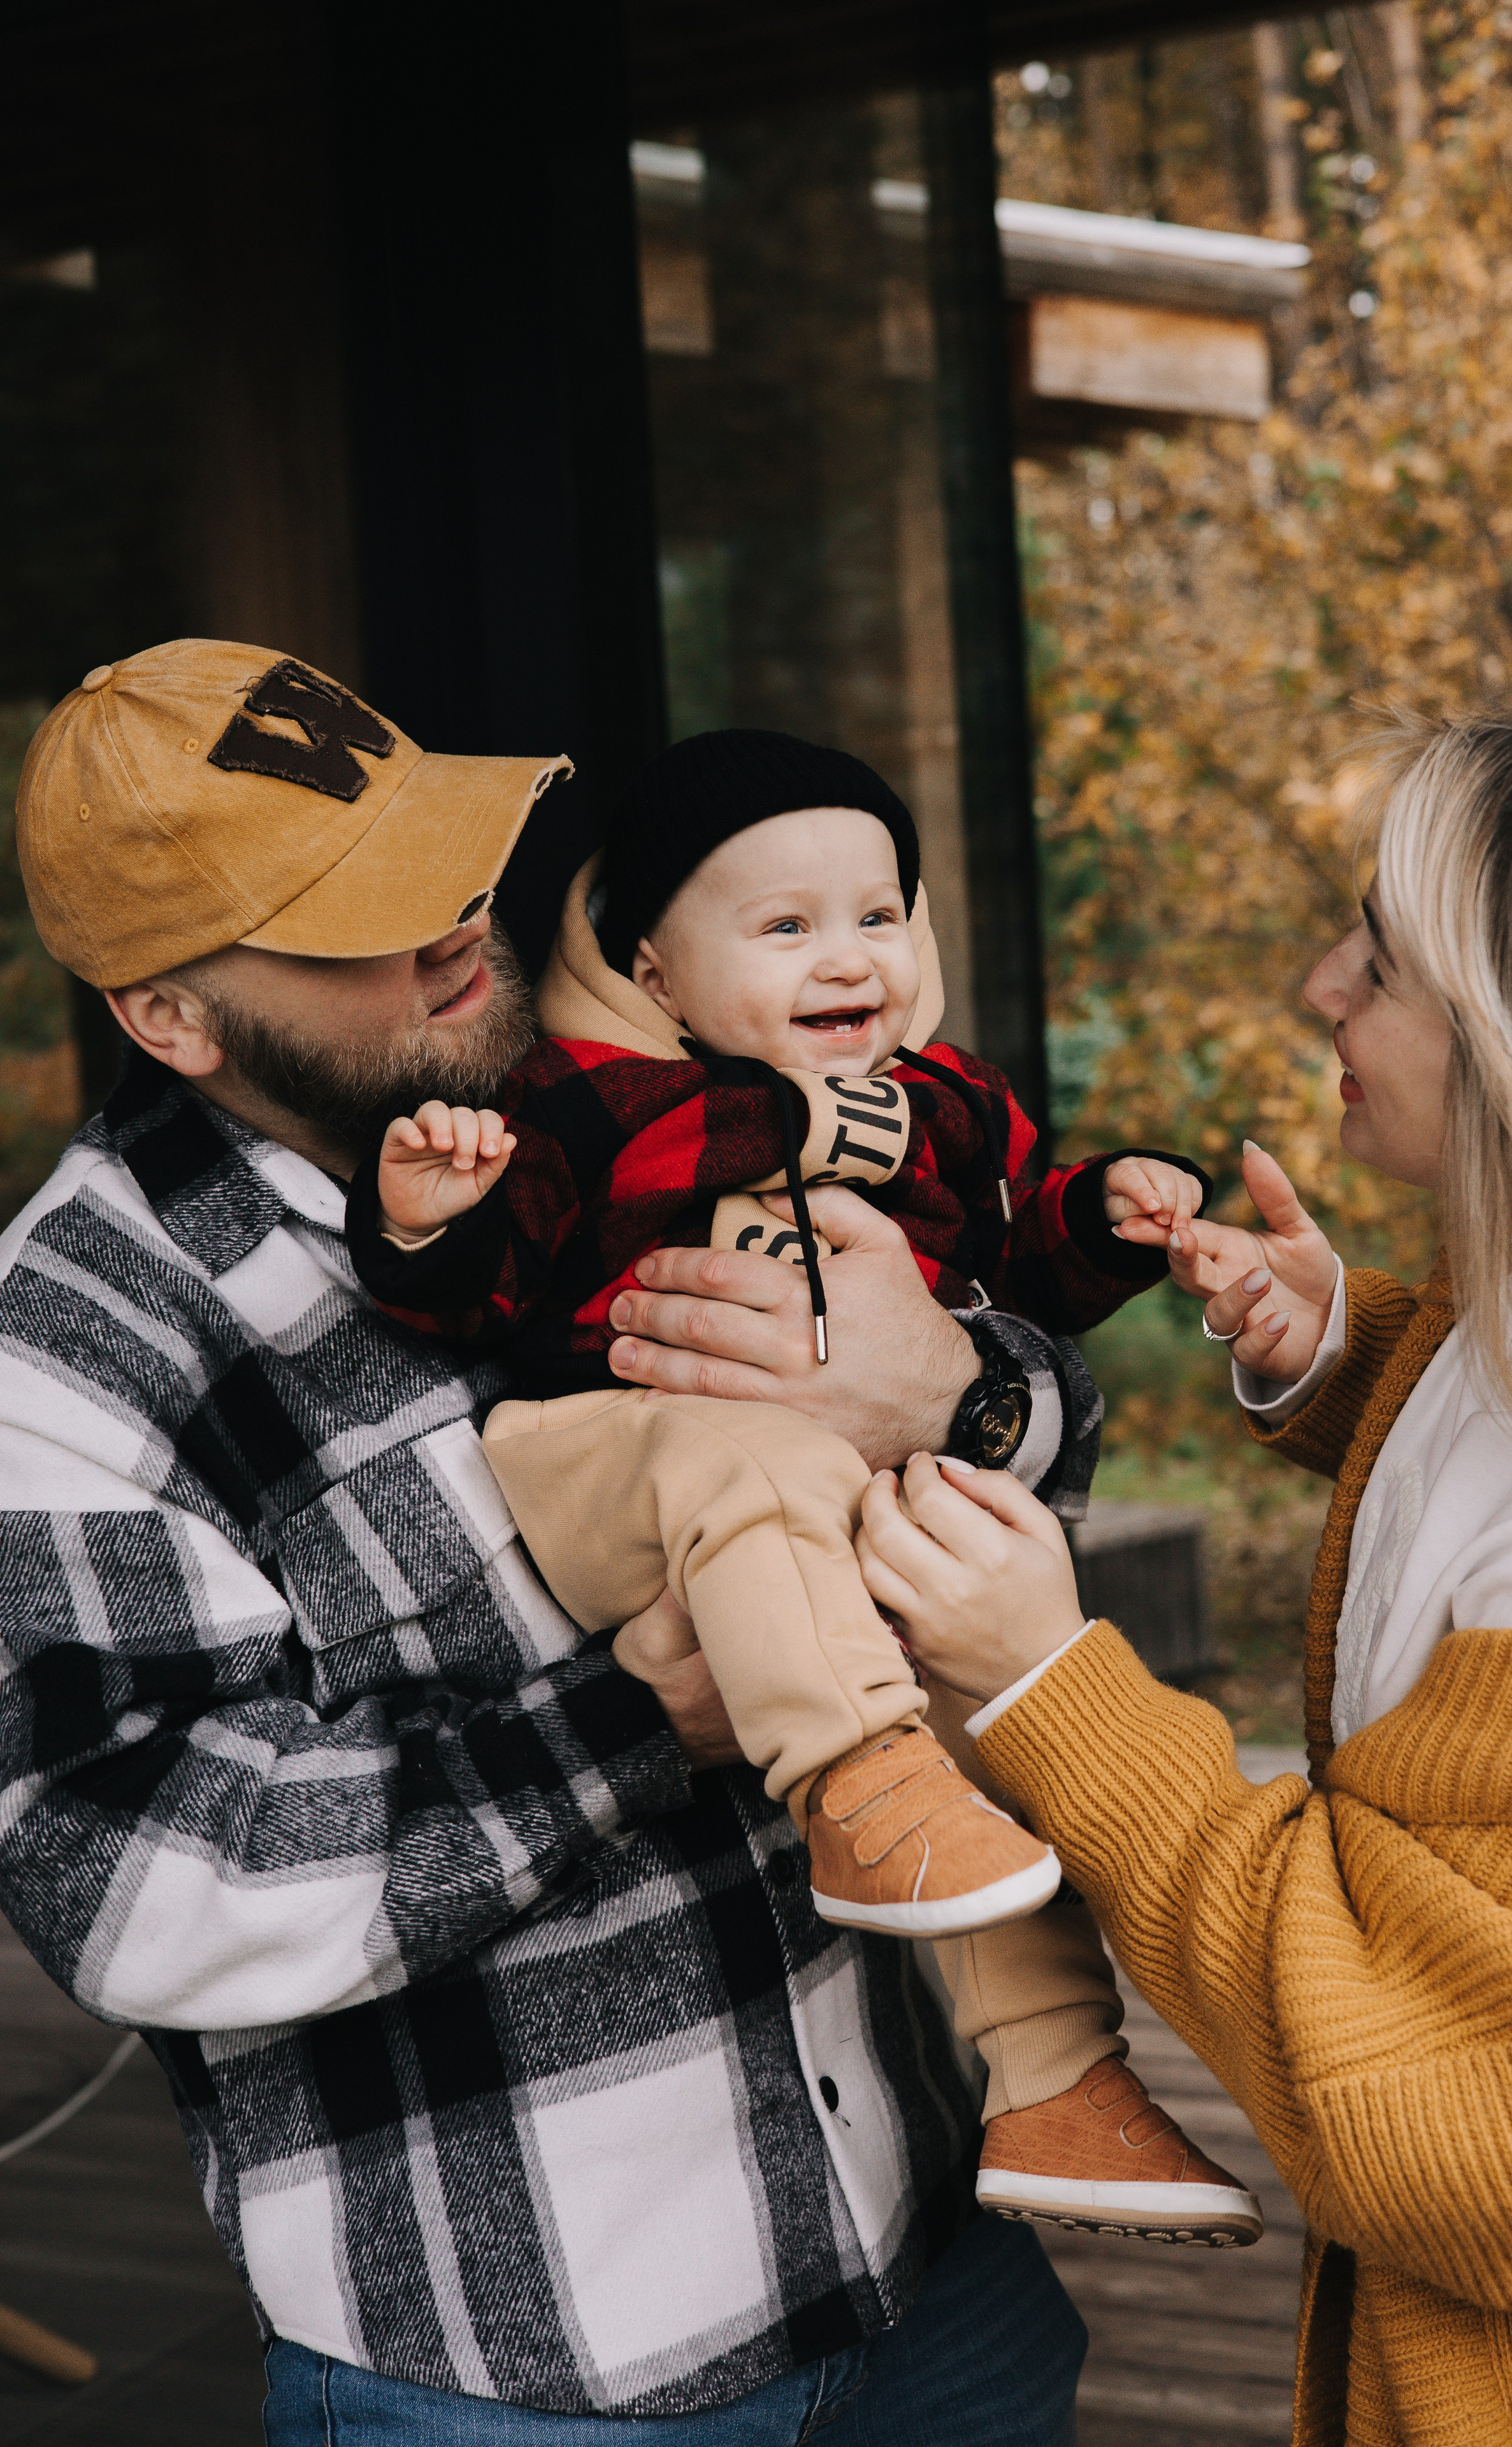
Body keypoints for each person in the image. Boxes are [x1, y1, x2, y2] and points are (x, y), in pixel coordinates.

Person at [0, 639, 1101, 2445]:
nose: (453, 925)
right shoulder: (73, 1347)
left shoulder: (640, 1104)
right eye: (360, 912)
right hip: (536, 2372)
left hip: (934, 2255)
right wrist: (634, 1728)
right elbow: (141, 1888)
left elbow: (1016, 1422)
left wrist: (965, 1392)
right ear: (171, 1017)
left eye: (444, 857)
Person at [347, 729, 1260, 2249]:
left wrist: (1102, 1214)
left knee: (981, 1732)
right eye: (783, 928)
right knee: (752, 1456)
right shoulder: (592, 1104)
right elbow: (479, 1301)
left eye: (877, 914)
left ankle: (1062, 2084)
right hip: (617, 1466)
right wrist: (423, 1221)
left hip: (824, 1512)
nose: (848, 957)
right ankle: (856, 1790)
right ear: (650, 968)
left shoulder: (948, 1111)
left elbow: (1019, 1263)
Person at [852, 712, 1512, 2441]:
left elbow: (1421, 2091)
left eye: (1383, 954)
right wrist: (1348, 1354)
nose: (1314, 985)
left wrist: (1061, 1693)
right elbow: (1506, 1464)